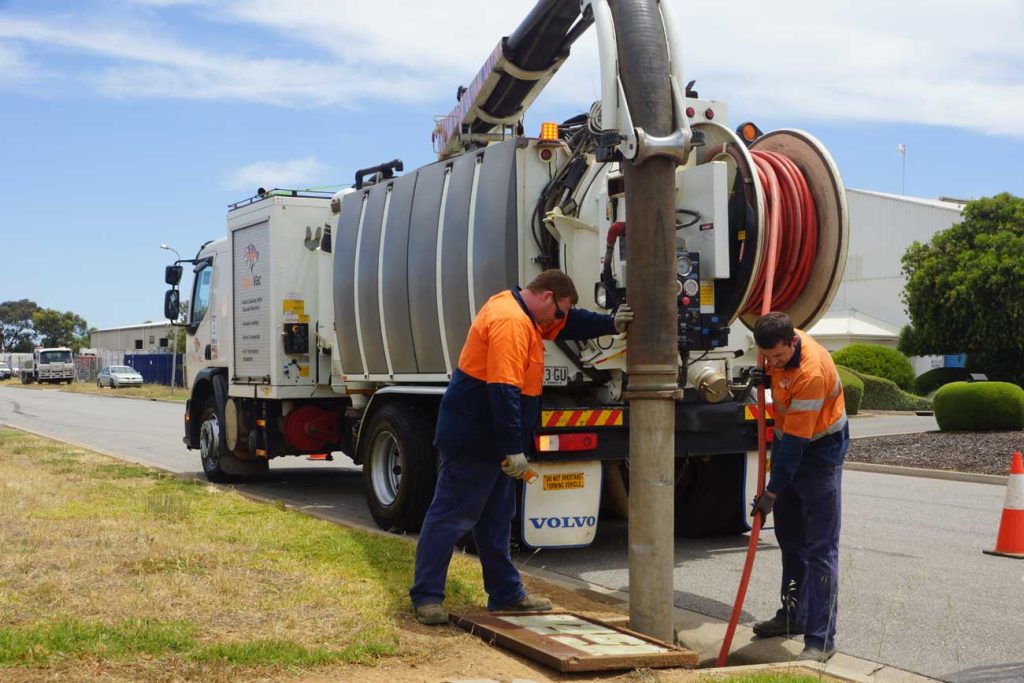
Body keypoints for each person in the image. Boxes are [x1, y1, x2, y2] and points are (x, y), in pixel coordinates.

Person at [410, 269, 633, 625]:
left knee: (497, 518)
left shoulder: (529, 315)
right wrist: (513, 448)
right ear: (546, 297)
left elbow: (571, 323)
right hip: (475, 439)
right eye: (559, 311)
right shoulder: (511, 322)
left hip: (492, 439)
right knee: (452, 516)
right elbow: (504, 391)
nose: (559, 321)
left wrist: (609, 324)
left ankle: (505, 595)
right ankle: (426, 596)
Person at [749, 311, 848, 661]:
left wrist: (771, 494)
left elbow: (794, 444)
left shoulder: (811, 372)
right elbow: (786, 437)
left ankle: (821, 639)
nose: (773, 363)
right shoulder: (778, 343)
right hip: (790, 443)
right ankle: (793, 615)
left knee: (821, 548)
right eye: (767, 358)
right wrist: (765, 375)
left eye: (778, 357)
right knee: (790, 540)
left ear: (793, 342)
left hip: (820, 451)